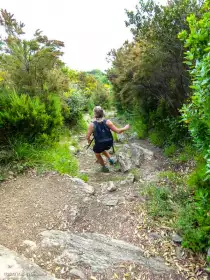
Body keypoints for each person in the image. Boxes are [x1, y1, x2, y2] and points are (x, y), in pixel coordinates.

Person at [86, 106, 130, 172]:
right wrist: (125, 128)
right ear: (103, 113)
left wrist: (89, 141)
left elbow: (87, 136)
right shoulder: (108, 122)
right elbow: (118, 131)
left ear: (94, 114)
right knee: (102, 148)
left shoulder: (92, 125)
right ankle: (110, 159)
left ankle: (104, 167)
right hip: (109, 143)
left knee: (97, 153)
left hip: (99, 144)